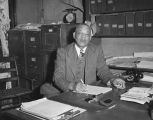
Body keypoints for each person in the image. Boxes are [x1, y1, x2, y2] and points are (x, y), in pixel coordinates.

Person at [53, 23, 125, 93]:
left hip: (90, 92)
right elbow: (58, 78)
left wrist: (113, 80)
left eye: (86, 34)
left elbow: (103, 70)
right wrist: (73, 86)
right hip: (69, 93)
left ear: (90, 37)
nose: (83, 37)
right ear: (74, 35)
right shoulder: (63, 52)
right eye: (80, 33)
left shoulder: (96, 50)